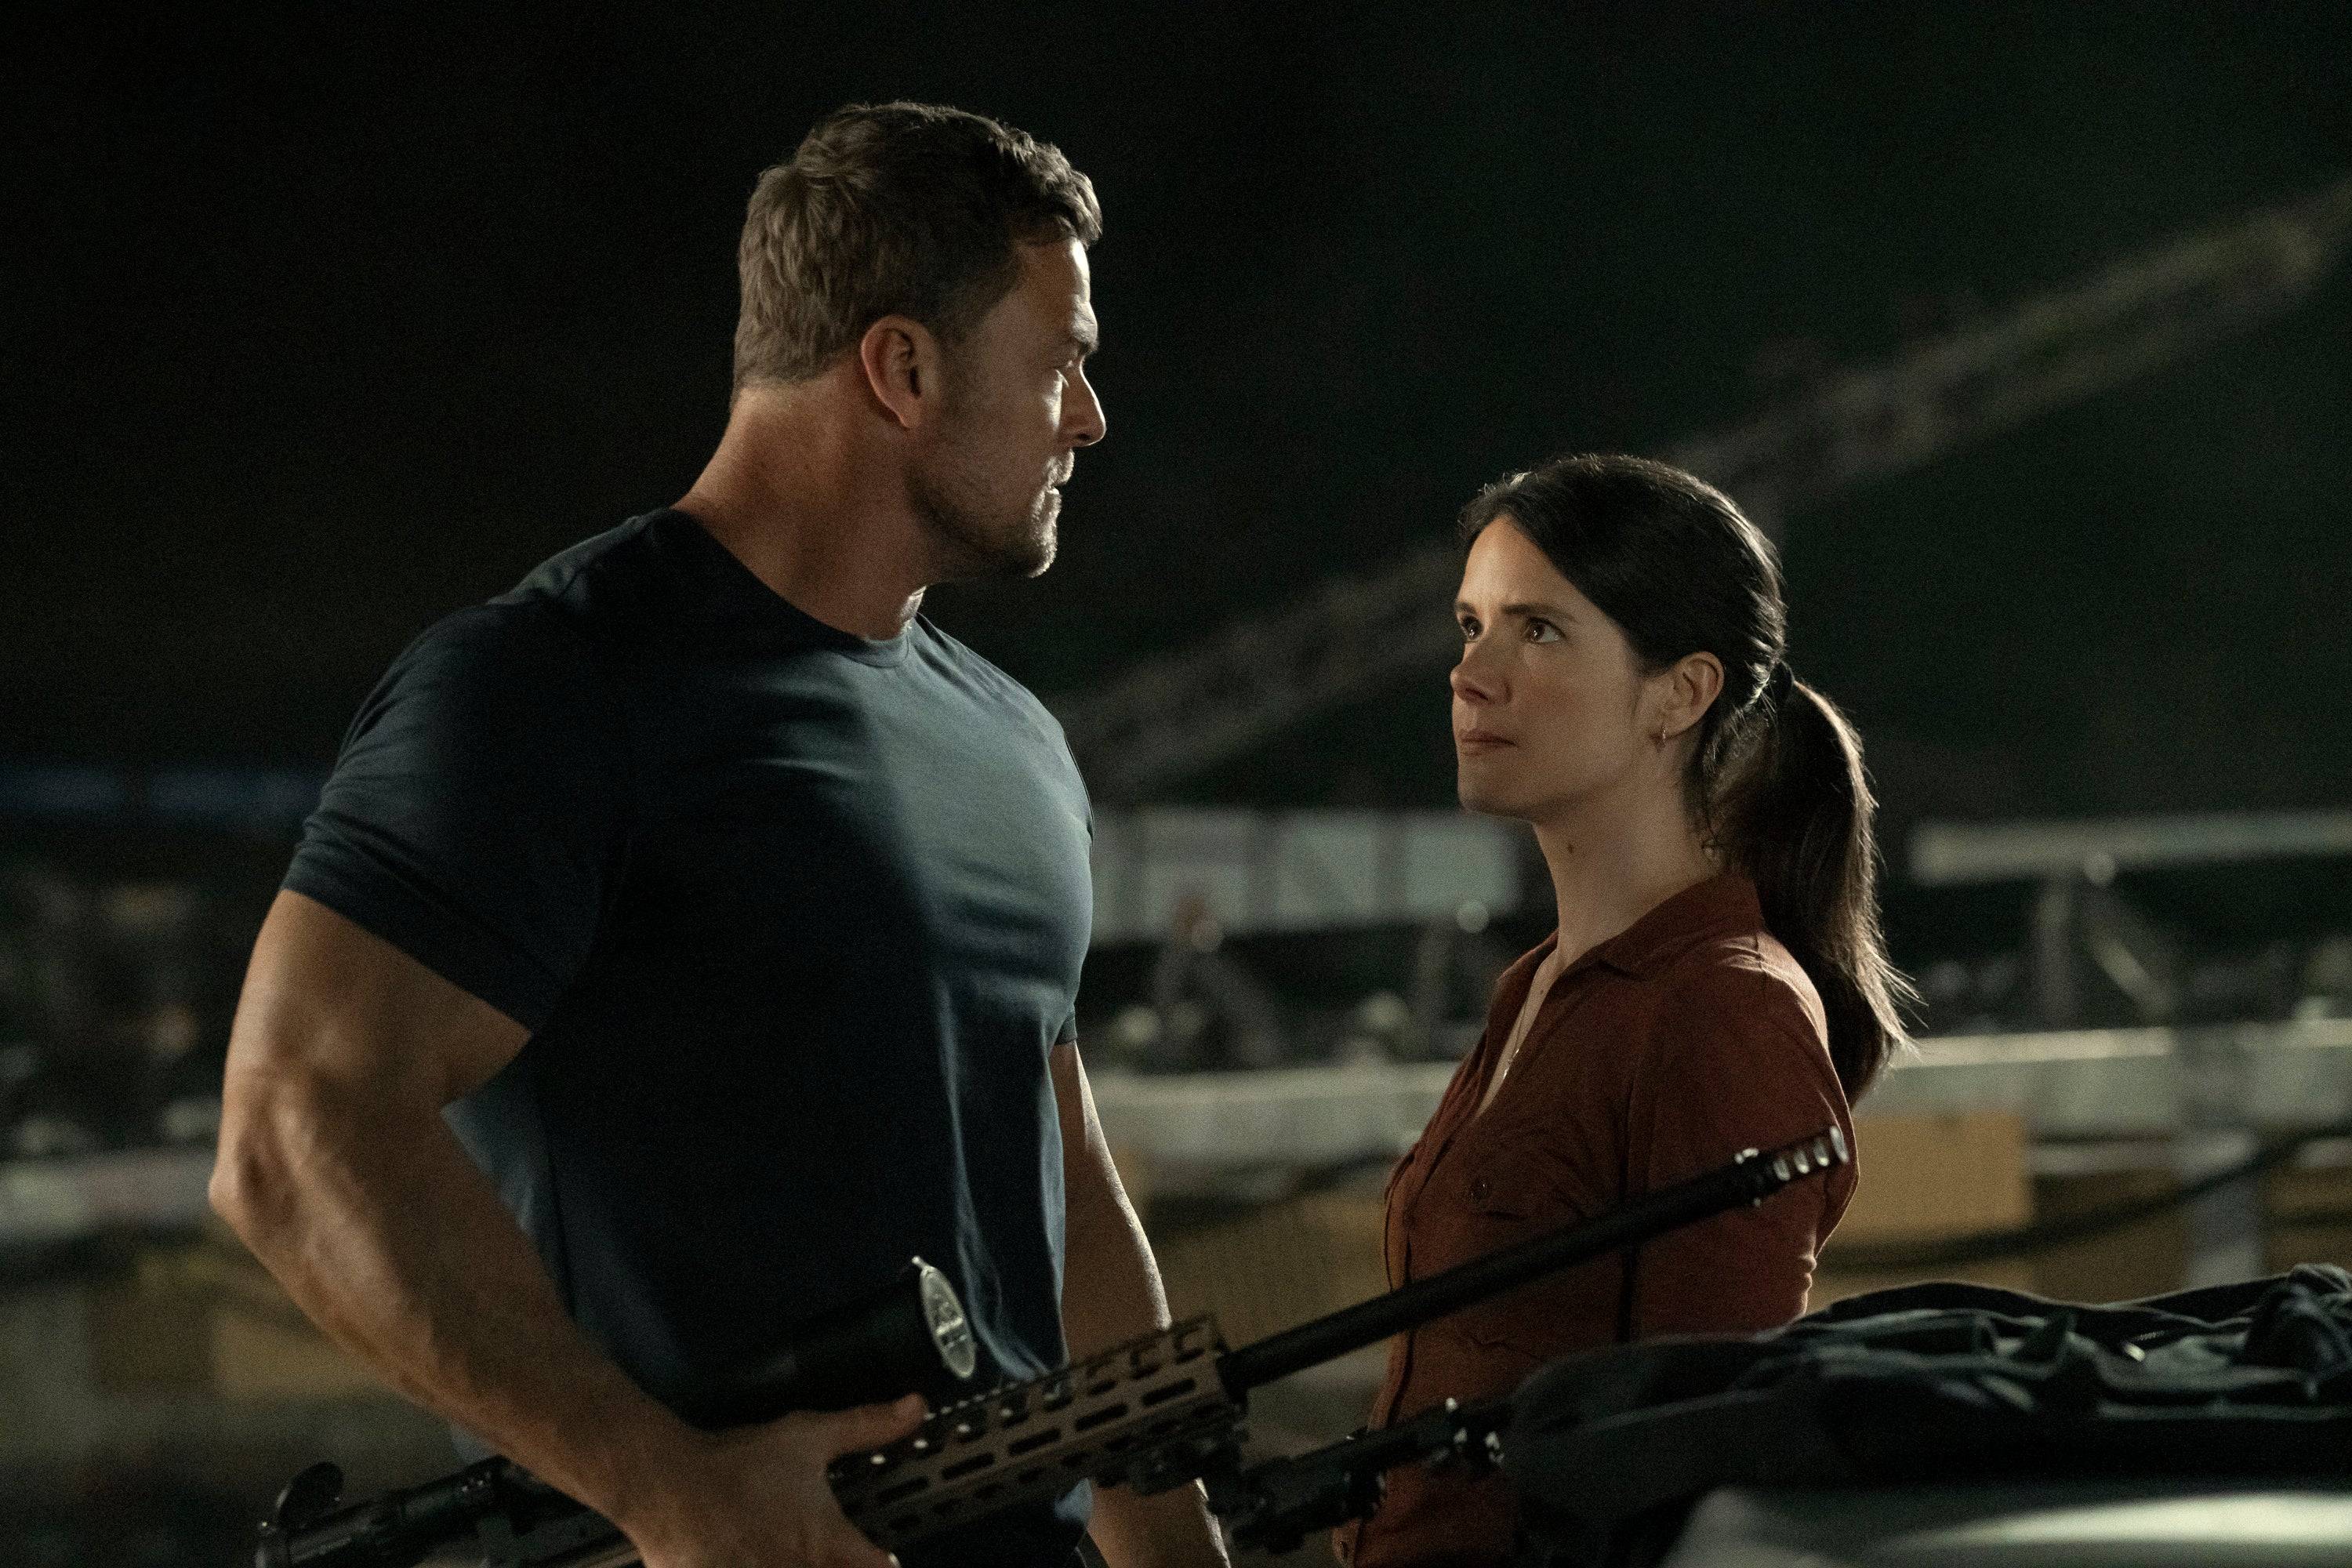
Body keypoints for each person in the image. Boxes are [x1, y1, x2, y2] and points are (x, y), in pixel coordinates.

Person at [211, 103, 1227, 1568]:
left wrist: (1173, 1550)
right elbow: (296, 1130)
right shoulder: (555, 684)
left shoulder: (1017, 743)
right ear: (902, 368)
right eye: (1060, 359)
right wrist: (670, 1490)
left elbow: (1059, 1176)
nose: (1089, 416)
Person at [1337, 454, 1913, 1568]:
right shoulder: (1537, 985)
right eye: (1471, 625)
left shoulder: (1725, 1010)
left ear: (1681, 694)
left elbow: (1698, 1477)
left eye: (1539, 631)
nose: (1470, 674)